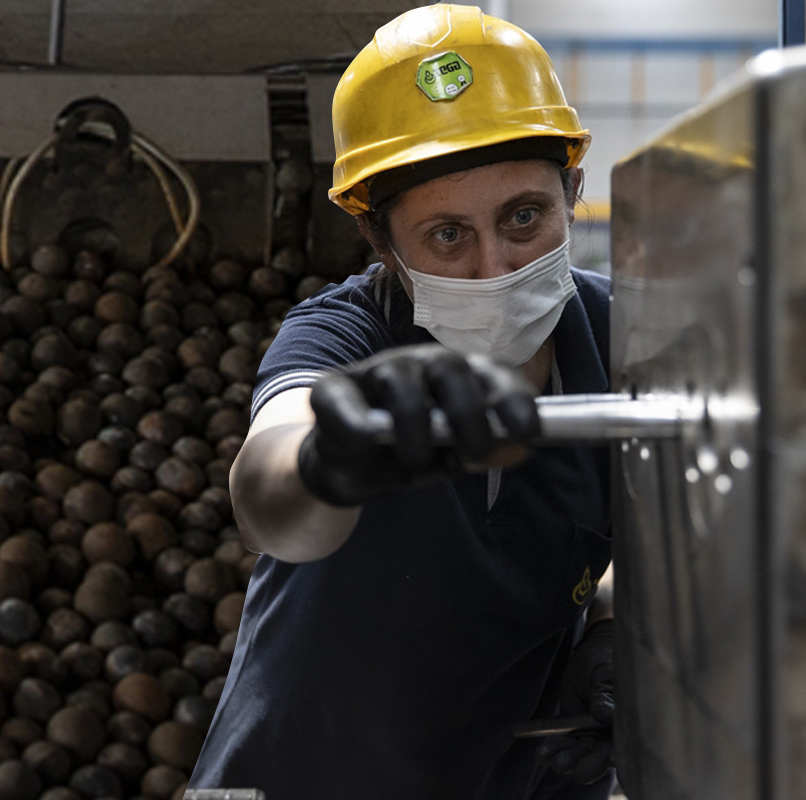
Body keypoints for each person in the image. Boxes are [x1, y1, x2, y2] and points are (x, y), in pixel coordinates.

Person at [186, 5, 616, 799]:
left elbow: (654, 530)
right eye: (447, 236)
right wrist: (332, 457)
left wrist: (614, 638)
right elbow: (267, 489)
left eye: (525, 217)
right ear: (383, 247)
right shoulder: (342, 336)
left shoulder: (623, 337)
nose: (496, 266)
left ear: (572, 191)